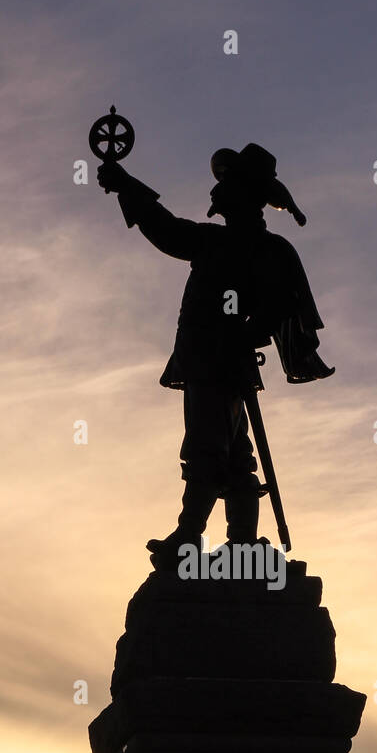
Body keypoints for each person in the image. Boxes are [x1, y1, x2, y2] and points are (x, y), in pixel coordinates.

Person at [96, 142, 334, 567]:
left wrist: (243, 336)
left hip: (217, 360)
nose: (214, 191)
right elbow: (166, 230)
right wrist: (125, 185)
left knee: (208, 447)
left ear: (243, 193)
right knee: (233, 450)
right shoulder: (225, 242)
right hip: (215, 358)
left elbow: (279, 304)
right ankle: (240, 542)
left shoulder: (256, 249)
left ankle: (191, 537)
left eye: (224, 183)